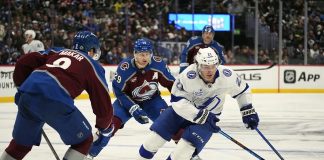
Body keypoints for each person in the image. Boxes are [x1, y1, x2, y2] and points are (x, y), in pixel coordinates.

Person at [0, 31, 114, 160]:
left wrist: (22, 89)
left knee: (21, 145)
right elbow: (102, 103)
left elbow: (23, 62)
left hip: (28, 94)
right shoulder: (92, 65)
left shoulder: (57, 52)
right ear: (92, 50)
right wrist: (105, 127)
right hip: (55, 98)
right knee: (84, 141)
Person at [137, 47, 260, 160]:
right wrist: (200, 115)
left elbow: (243, 91)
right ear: (197, 65)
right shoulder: (187, 76)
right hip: (182, 113)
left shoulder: (227, 75)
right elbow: (177, 101)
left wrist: (247, 111)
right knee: (150, 143)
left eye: (213, 65)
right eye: (205, 66)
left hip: (208, 120)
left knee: (181, 155)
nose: (210, 70)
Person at [87, 38, 175, 158]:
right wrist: (132, 107)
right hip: (126, 102)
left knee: (172, 125)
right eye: (141, 54)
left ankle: (187, 154)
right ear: (134, 54)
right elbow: (118, 90)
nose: (145, 58)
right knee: (108, 128)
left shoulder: (158, 64)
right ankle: (88, 154)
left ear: (152, 54)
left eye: (148, 54)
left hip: (153, 101)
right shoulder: (125, 68)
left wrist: (178, 101)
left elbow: (172, 84)